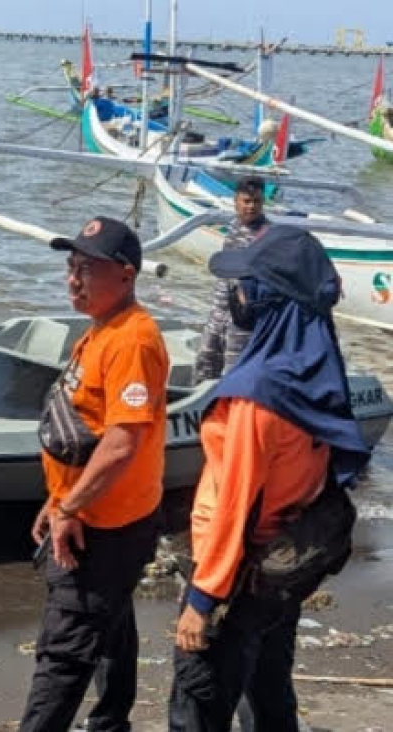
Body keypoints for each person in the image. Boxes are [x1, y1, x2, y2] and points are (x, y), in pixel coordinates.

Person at [169, 226, 370, 731]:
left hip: (239, 569)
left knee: (199, 700)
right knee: (268, 685)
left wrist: (202, 600)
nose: (238, 295)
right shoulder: (315, 368)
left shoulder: (257, 395)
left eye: (247, 284)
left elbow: (235, 504)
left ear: (270, 298)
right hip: (287, 566)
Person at [20, 217, 169, 732]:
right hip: (93, 510)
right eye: (70, 266)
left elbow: (123, 441)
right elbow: (85, 426)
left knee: (65, 647)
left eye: (86, 268)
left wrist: (70, 507)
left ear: (126, 276)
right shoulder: (103, 328)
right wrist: (59, 495)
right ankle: (112, 723)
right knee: (110, 623)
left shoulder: (133, 340)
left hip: (105, 526)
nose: (72, 279)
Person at [192, 176, 269, 382]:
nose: (251, 207)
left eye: (257, 202)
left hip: (242, 319)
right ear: (236, 201)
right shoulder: (233, 227)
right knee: (204, 364)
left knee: (232, 375)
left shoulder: (267, 235)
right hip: (219, 311)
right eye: (246, 201)